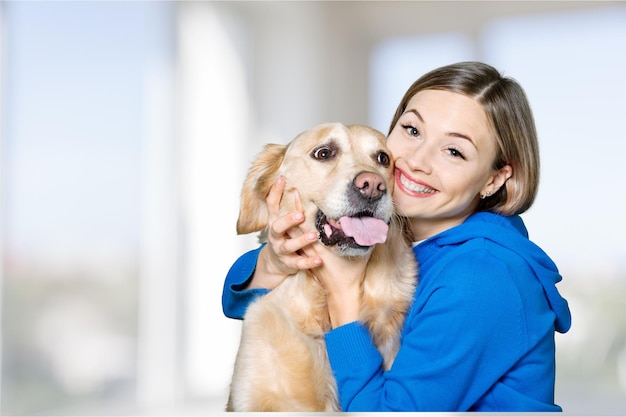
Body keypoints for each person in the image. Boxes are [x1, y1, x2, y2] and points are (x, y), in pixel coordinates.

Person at [222, 61, 571, 411]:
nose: (417, 161)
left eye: (454, 151)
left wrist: (343, 294)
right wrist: (274, 260)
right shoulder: (404, 236)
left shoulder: (482, 275)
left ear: (494, 179)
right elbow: (236, 301)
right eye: (412, 131)